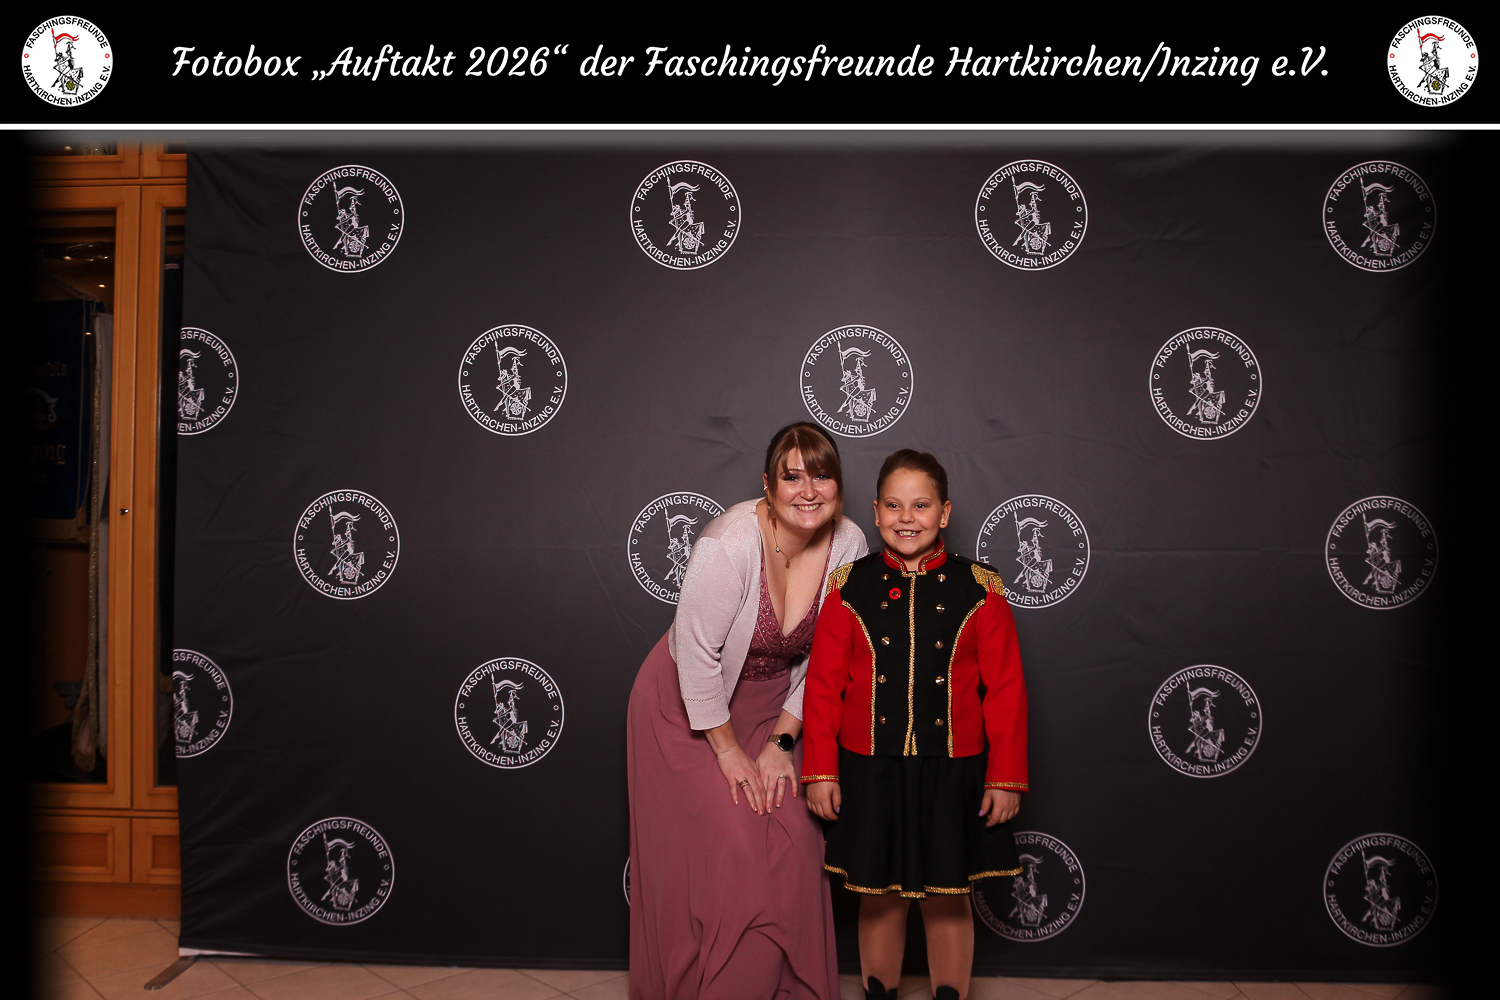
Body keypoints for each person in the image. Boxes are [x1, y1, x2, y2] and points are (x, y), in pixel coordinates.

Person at [627, 422, 870, 1000]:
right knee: (735, 838)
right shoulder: (728, 542)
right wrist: (730, 751)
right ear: (767, 484)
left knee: (798, 837)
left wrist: (782, 742)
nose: (808, 491)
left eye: (822, 476)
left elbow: (830, 661)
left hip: (775, 708)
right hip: (686, 707)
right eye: (792, 477)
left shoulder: (850, 545)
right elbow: (696, 655)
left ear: (839, 485)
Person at [801, 450, 1029, 1000]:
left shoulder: (981, 587)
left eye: (921, 505)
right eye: (894, 506)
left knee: (948, 896)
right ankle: (880, 993)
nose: (907, 518)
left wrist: (1004, 778)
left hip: (953, 768)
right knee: (878, 894)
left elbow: (1005, 691)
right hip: (868, 767)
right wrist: (821, 771)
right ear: (875, 512)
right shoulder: (847, 586)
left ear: (944, 512)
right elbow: (823, 688)